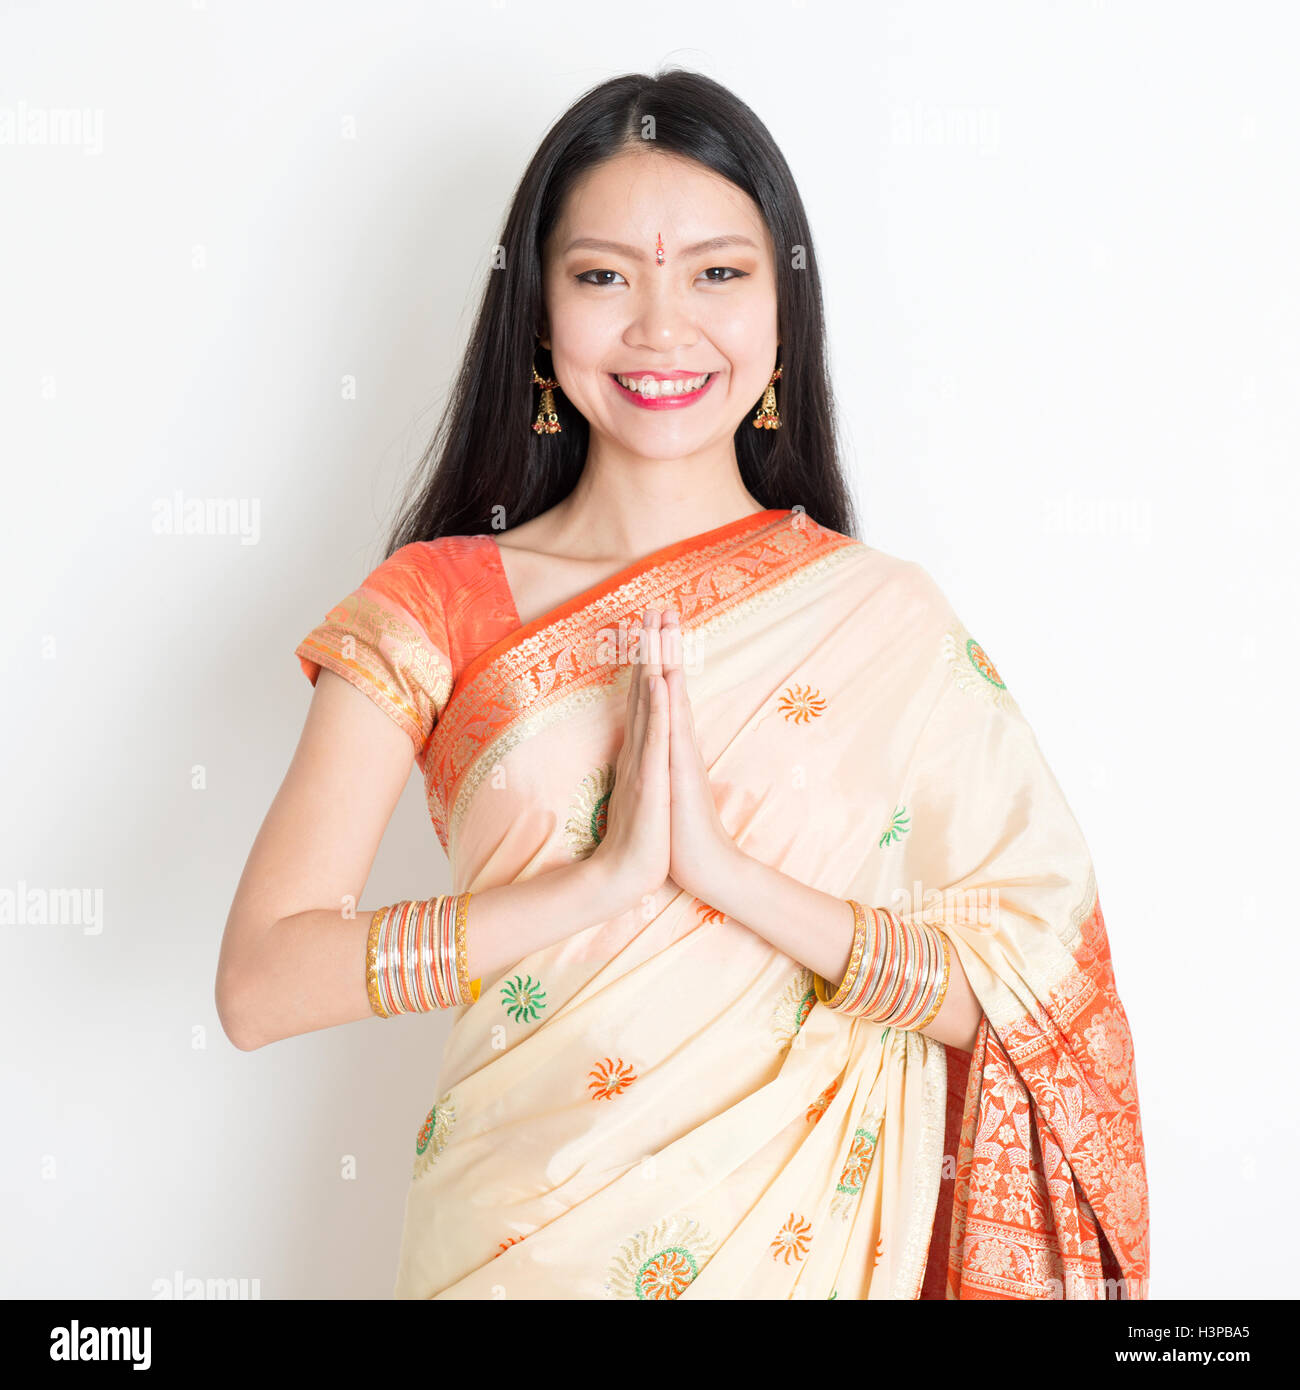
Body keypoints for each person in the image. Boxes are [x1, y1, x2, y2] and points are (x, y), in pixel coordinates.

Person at [215, 69, 1150, 1301]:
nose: (662, 327)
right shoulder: (438, 600)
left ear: (780, 315)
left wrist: (728, 877)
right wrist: (595, 884)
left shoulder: (881, 617)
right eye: (605, 275)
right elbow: (260, 985)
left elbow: (1040, 1003)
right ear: (539, 318)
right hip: (517, 1246)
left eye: (717, 272)